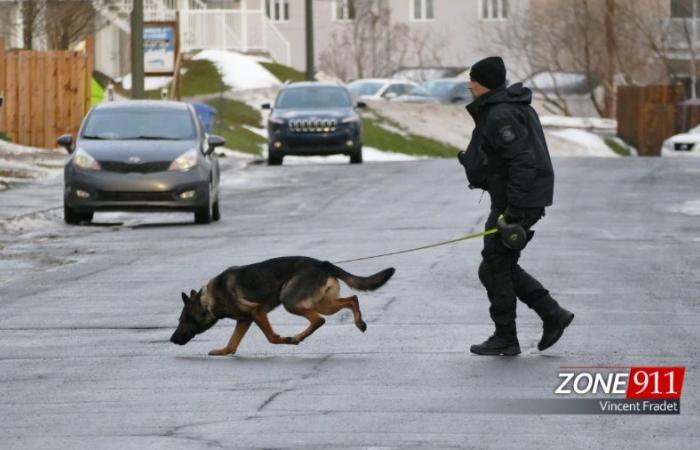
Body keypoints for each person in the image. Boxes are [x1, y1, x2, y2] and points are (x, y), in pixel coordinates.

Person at [458, 56, 574, 356]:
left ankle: (507, 337)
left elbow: (523, 162)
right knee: (497, 265)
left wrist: (513, 213)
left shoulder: (500, 115)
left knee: (495, 267)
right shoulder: (505, 107)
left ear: (483, 83)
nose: (469, 85)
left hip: (516, 202)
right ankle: (551, 314)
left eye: (473, 80)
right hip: (516, 198)